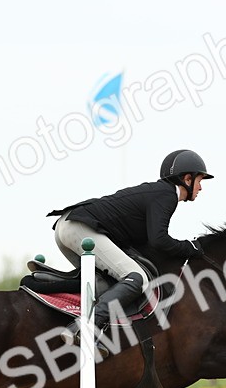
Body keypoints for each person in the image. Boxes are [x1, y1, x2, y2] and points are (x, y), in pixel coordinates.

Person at [46, 149, 212, 350]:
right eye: (200, 180)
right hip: (80, 228)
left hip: (67, 227)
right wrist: (190, 247)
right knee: (137, 278)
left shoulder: (159, 192)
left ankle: (48, 286)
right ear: (187, 179)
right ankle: (85, 328)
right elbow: (159, 240)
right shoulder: (167, 195)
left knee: (105, 283)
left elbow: (148, 243)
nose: (201, 187)